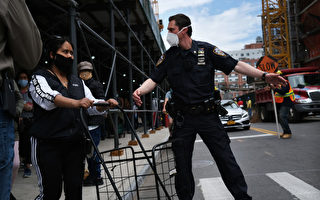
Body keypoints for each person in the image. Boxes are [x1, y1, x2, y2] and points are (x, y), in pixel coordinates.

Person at [132, 13, 286, 200]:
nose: (168, 34)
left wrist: (264, 75)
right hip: (183, 119)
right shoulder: (168, 57)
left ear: (184, 30)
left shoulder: (207, 50)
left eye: (171, 30)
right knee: (182, 166)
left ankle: (242, 197)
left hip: (208, 116)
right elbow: (153, 79)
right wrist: (139, 91)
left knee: (226, 160)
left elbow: (236, 65)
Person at [28, 37, 118, 199]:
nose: (70, 56)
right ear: (52, 55)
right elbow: (48, 99)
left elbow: (91, 105)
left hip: (75, 144)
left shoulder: (77, 81)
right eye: (65, 52)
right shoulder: (39, 77)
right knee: (51, 192)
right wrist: (77, 103)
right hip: (48, 143)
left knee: (75, 190)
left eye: (71, 52)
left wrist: (105, 104)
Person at [0, 1, 42, 199]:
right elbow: (30, 53)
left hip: (22, 122)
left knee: (17, 158)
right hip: (13, 119)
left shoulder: (21, 88)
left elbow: (18, 99)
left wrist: (19, 109)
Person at [78, 61, 105, 186]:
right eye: (82, 71)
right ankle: (94, 175)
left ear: (91, 72)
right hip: (85, 123)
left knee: (92, 152)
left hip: (93, 122)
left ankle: (96, 176)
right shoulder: (79, 85)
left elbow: (100, 101)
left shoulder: (95, 85)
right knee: (88, 151)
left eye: (87, 71)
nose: (84, 73)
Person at [267, 70, 294, 139]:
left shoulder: (285, 83)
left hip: (287, 102)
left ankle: (288, 132)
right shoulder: (277, 84)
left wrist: (274, 88)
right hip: (280, 103)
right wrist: (271, 87)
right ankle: (285, 132)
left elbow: (283, 92)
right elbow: (275, 92)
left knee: (282, 116)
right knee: (281, 117)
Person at [17, 72, 33, 178]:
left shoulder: (31, 92)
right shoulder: (17, 92)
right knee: (20, 144)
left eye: (25, 77)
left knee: (28, 144)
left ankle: (28, 166)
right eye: (21, 78)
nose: (23, 80)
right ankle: (21, 161)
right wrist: (24, 105)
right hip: (18, 121)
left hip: (29, 121)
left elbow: (31, 107)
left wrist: (21, 105)